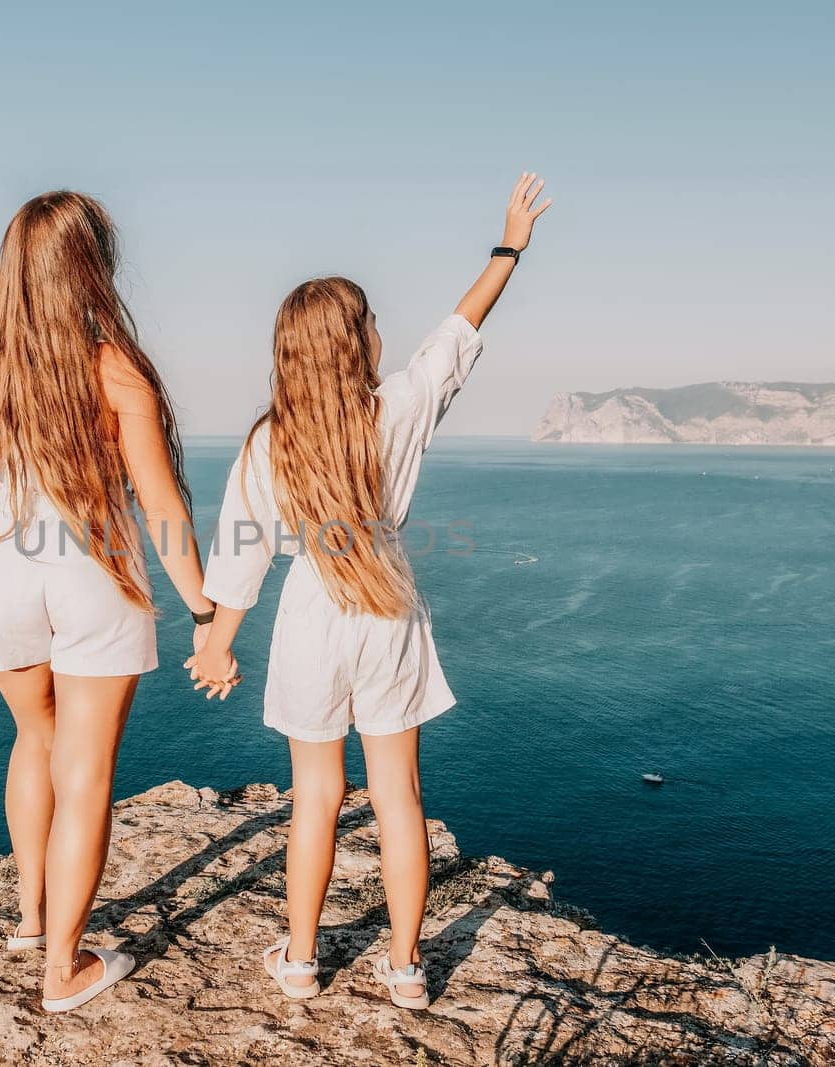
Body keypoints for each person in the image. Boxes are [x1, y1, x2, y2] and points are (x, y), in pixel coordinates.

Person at [0, 63, 232, 1012]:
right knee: (86, 770)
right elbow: (164, 512)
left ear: (26, 265)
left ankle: (27, 915)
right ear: (93, 265)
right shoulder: (120, 377)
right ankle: (64, 967)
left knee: (34, 739)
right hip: (93, 579)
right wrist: (205, 609)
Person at [187, 174, 552, 1009]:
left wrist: (215, 644)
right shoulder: (401, 408)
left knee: (316, 796)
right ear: (355, 345)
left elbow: (240, 551)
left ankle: (303, 959)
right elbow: (457, 332)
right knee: (400, 798)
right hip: (389, 609)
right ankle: (406, 966)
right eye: (373, 323)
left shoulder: (269, 441)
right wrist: (510, 247)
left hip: (313, 615)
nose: (385, 333)